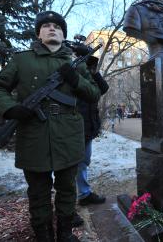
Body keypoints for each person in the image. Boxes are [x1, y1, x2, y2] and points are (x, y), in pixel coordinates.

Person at [0, 11, 100, 242]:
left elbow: (94, 93)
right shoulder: (22, 59)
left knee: (67, 189)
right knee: (38, 192)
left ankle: (65, 234)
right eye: (46, 26)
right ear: (39, 33)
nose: (52, 29)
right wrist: (11, 108)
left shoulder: (73, 62)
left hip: (68, 134)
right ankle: (43, 235)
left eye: (57, 27)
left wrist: (75, 79)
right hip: (33, 133)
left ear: (63, 33)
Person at [72, 56, 109, 227]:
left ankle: (84, 194)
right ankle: (68, 206)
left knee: (83, 162)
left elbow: (104, 88)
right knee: (70, 166)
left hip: (88, 127)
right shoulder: (74, 74)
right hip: (74, 127)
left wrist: (95, 72)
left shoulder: (90, 79)